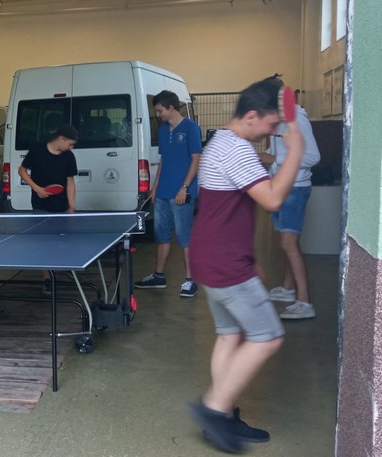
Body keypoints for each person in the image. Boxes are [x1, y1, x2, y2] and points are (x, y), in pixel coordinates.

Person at [186, 79, 304, 453]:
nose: (274, 132)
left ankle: (223, 417)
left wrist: (250, 260)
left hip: (212, 257)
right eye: (272, 124)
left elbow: (229, 213)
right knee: (268, 337)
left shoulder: (220, 142)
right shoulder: (237, 150)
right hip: (225, 263)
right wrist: (296, 151)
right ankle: (213, 410)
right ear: (251, 116)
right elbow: (271, 200)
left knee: (229, 335)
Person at [257, 80, 321, 320]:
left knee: (289, 243)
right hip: (282, 186)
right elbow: (279, 152)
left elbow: (313, 157)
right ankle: (287, 289)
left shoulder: (297, 119)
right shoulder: (281, 119)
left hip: (295, 187)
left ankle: (305, 302)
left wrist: (275, 160)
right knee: (286, 242)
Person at [134, 91, 202, 297]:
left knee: (184, 237)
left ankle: (190, 280)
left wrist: (184, 188)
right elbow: (163, 160)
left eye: (159, 110)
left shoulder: (191, 128)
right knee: (161, 235)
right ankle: (158, 276)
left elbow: (196, 159)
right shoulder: (164, 130)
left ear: (171, 107)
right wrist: (155, 188)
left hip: (181, 193)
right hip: (163, 193)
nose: (157, 114)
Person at [17, 124, 78, 294]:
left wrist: (72, 206)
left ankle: (64, 267)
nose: (71, 147)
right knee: (43, 244)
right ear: (61, 139)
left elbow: (70, 182)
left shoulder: (69, 156)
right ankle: (47, 279)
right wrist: (37, 188)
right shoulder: (37, 151)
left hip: (62, 206)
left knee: (62, 242)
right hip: (40, 206)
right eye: (70, 144)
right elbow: (22, 170)